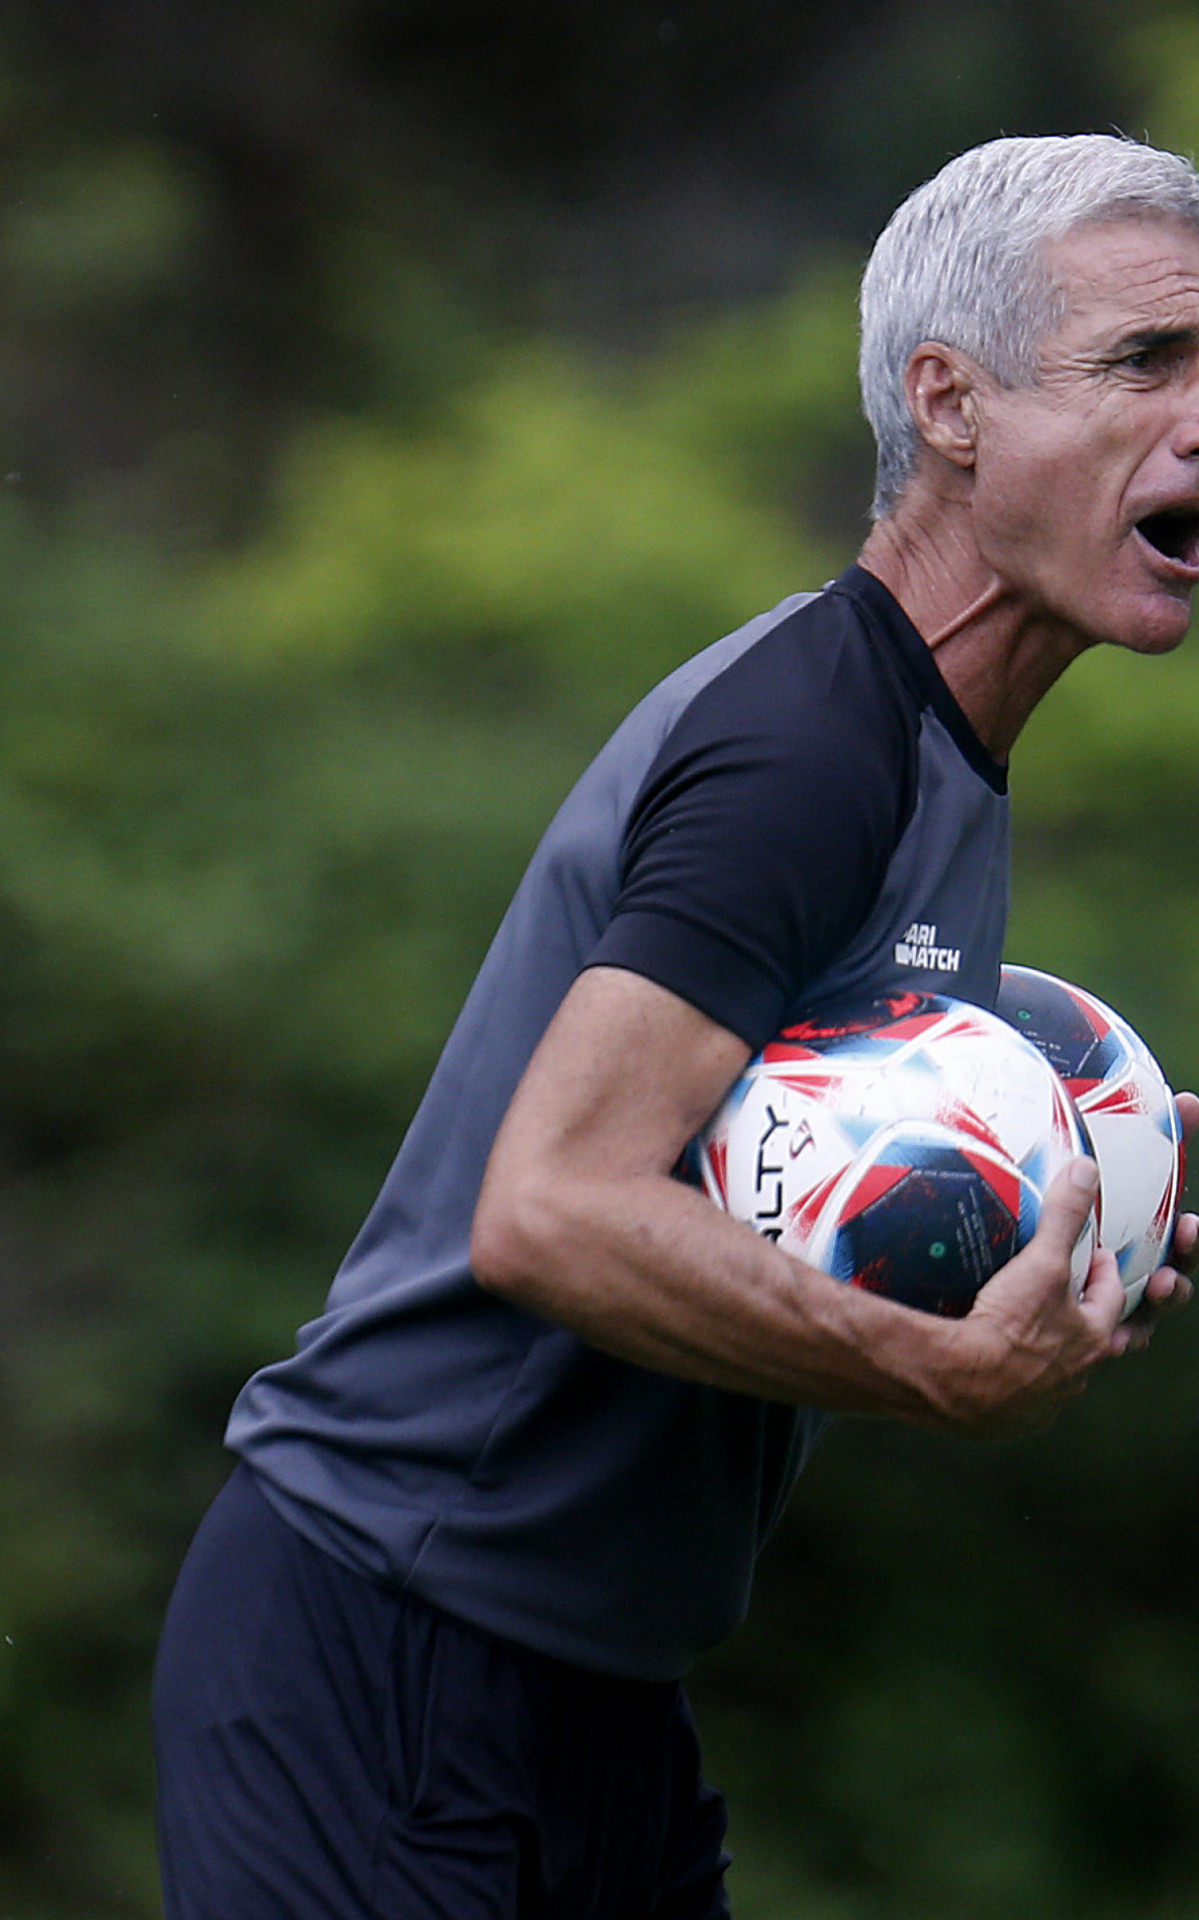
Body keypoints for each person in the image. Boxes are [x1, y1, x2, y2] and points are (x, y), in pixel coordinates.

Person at [154, 133, 1199, 1919]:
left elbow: (786, 1153)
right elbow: (550, 1208)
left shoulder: (942, 748)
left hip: (595, 1692)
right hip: (385, 1648)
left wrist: (1095, 1153)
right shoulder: (809, 749)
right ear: (948, 404)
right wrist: (934, 1372)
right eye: (1146, 365)